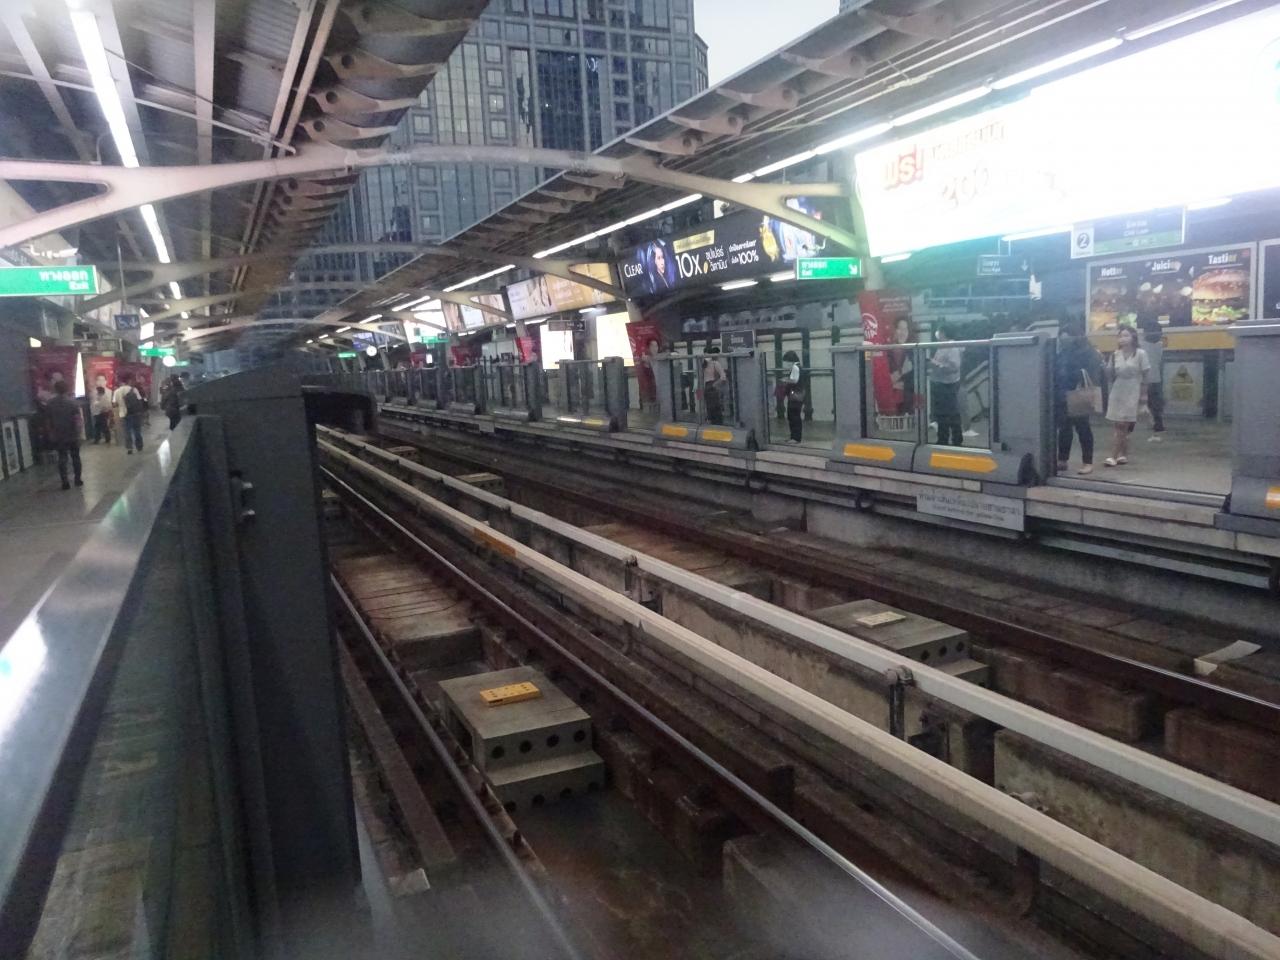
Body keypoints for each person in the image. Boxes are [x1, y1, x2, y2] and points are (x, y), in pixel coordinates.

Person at [1054, 324, 1103, 475]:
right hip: (1062, 393)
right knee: (1064, 428)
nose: (1063, 341)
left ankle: (1087, 462)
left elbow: (1092, 373)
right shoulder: (1063, 352)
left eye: (1066, 337)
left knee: (1083, 428)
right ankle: (1062, 459)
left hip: (1077, 393)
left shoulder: (1088, 352)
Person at [1104, 324, 1150, 468]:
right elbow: (1110, 375)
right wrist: (1104, 366)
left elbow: (1146, 376)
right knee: (1118, 424)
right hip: (1118, 389)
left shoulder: (1141, 354)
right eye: (1120, 336)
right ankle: (1123, 454)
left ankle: (1113, 455)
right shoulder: (1115, 355)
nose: (1122, 339)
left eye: (1126, 336)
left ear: (1133, 337)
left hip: (1133, 389)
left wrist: (1144, 398)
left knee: (1123, 424)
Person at [927, 322, 964, 446]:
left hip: (948, 385)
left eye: (939, 331)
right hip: (940, 384)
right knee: (942, 415)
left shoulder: (952, 347)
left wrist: (936, 365)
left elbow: (954, 367)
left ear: (944, 333)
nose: (938, 334)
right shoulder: (942, 346)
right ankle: (943, 438)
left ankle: (956, 439)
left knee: (951, 414)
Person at [44, 380, 83, 490]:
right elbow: (77, 420)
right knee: (76, 457)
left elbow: (48, 421)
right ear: (67, 389)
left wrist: (51, 433)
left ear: (55, 389)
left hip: (59, 435)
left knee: (62, 458)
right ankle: (78, 479)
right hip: (72, 434)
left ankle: (65, 482)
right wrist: (79, 433)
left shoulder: (50, 404)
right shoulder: (73, 403)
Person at [1141, 322, 1166, 441]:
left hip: (1144, 379)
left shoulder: (1140, 346)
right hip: (1156, 378)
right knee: (1156, 404)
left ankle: (1150, 424)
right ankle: (1158, 424)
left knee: (1145, 403)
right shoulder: (1160, 345)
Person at [113, 372, 145, 454]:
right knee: (137, 430)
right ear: (128, 380)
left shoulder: (117, 391)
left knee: (127, 431)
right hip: (135, 413)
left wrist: (121, 404)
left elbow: (114, 404)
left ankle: (129, 448)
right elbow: (139, 401)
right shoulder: (133, 389)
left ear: (121, 381)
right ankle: (139, 446)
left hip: (124, 414)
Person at [780, 350, 804, 444]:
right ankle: (794, 437)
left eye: (787, 361)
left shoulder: (795, 367)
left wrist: (785, 380)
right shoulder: (799, 366)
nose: (786, 364)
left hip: (795, 394)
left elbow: (794, 380)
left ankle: (795, 438)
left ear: (790, 360)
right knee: (794, 415)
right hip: (798, 393)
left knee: (793, 416)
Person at [701, 346, 727, 424]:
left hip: (710, 385)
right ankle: (708, 421)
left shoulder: (715, 363)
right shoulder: (701, 364)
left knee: (713, 407)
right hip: (703, 386)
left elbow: (723, 377)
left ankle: (716, 422)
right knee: (705, 405)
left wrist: (714, 385)